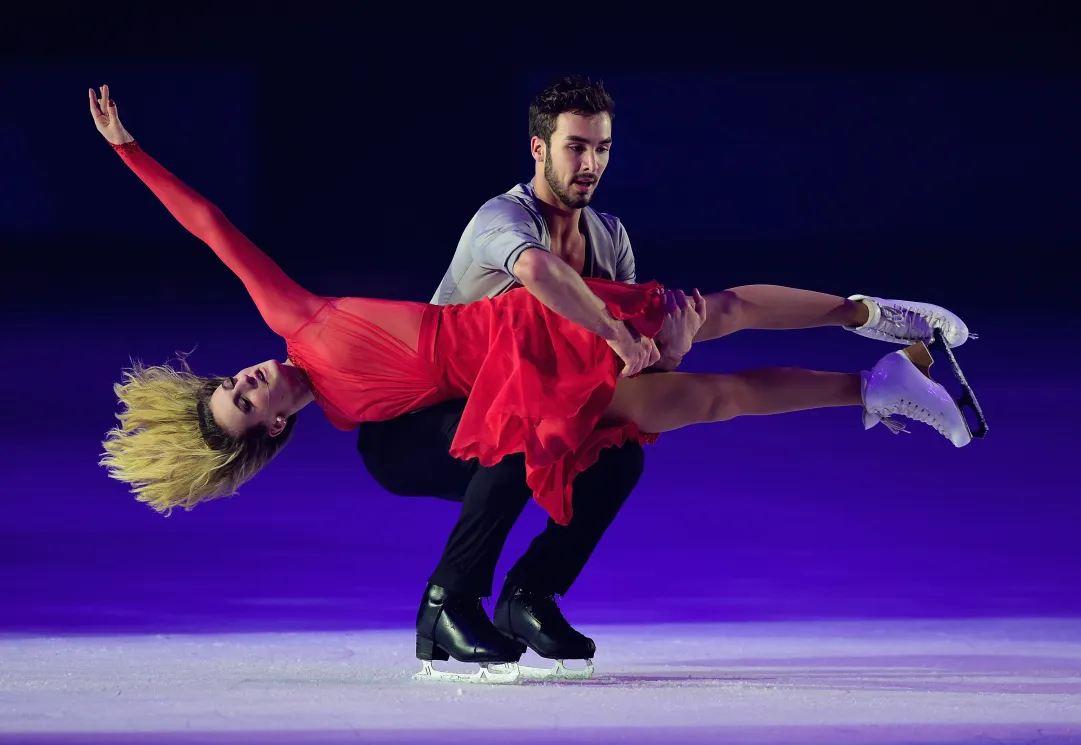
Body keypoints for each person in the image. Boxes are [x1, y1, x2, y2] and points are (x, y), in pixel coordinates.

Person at [91, 84, 977, 682]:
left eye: (232, 382)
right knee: (706, 396)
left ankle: (880, 328)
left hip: (521, 342)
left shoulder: (293, 317)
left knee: (710, 323)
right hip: (520, 362)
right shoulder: (351, 405)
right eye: (247, 402)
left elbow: (210, 226)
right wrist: (616, 340)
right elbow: (489, 362)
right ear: (274, 426)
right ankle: (875, 388)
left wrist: (131, 151)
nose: (248, 380)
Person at [356, 75, 978, 681]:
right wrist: (623, 335)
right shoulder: (503, 219)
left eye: (602, 148)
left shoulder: (609, 237)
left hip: (537, 405)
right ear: (538, 148)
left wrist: (669, 349)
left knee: (623, 453)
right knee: (524, 441)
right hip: (420, 427)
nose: (590, 164)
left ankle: (529, 595)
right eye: (575, 147)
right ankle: (447, 604)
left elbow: (633, 371)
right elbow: (542, 274)